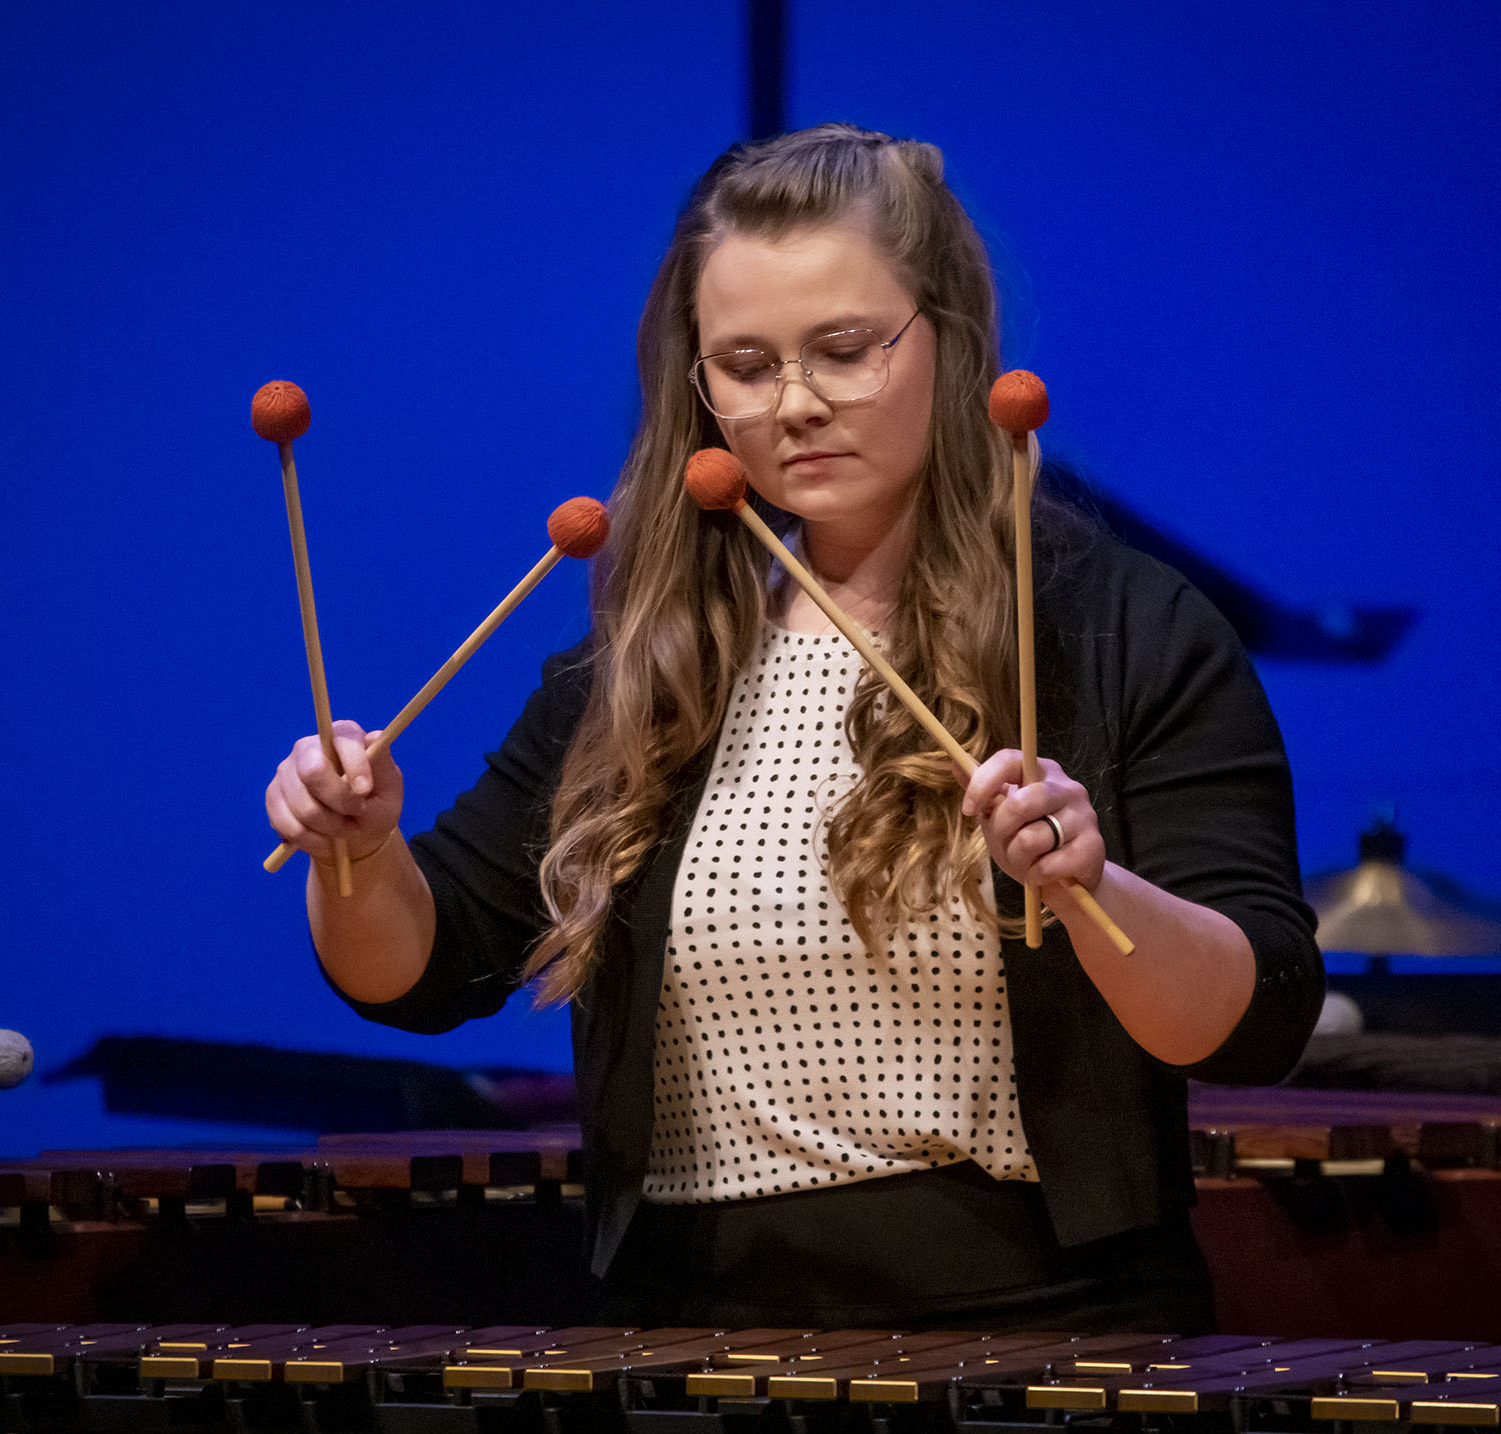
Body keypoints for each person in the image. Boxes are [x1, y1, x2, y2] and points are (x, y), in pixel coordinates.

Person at [264, 124, 1324, 1332]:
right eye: (747, 365)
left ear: (948, 338)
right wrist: (356, 846)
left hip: (1045, 1332)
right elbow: (417, 971)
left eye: (845, 349)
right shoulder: (646, 669)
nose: (796, 405)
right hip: (687, 1342)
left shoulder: (1118, 632)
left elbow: (1258, 1017)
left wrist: (1095, 891)